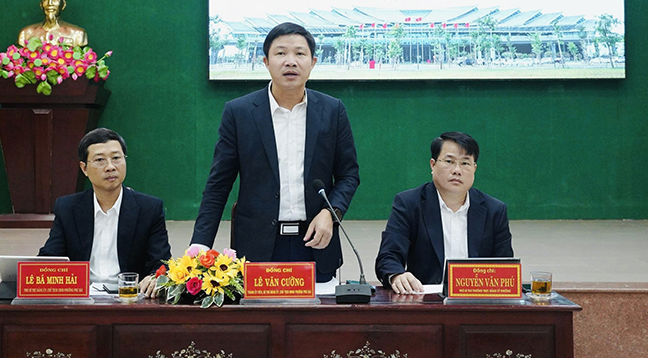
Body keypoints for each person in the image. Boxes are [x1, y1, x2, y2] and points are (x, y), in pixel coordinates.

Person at [191, 22, 360, 282]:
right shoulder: (239, 113)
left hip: (315, 243)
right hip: (257, 247)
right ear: (266, 62)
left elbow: (349, 175)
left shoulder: (332, 110)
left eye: (300, 53)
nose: (290, 61)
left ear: (313, 62)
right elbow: (218, 184)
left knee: (318, 309)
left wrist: (331, 213)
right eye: (281, 53)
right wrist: (200, 246)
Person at [0, 128, 171, 297]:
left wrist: (156, 277)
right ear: (84, 168)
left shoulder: (149, 208)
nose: (110, 167)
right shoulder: (68, 208)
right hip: (81, 301)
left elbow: (162, 263)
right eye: (100, 160)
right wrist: (7, 281)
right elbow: (50, 259)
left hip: (129, 300)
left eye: (116, 158)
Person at [375, 131, 513, 294]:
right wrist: (397, 275)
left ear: (474, 168)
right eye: (449, 161)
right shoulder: (409, 204)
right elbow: (388, 256)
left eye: (465, 163)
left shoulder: (494, 210)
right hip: (426, 300)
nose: (457, 170)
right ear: (433, 165)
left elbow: (505, 268)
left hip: (476, 299)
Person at [17, 0, 88, 47]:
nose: (50, 3)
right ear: (41, 4)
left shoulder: (78, 34)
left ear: (63, 4)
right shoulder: (26, 34)